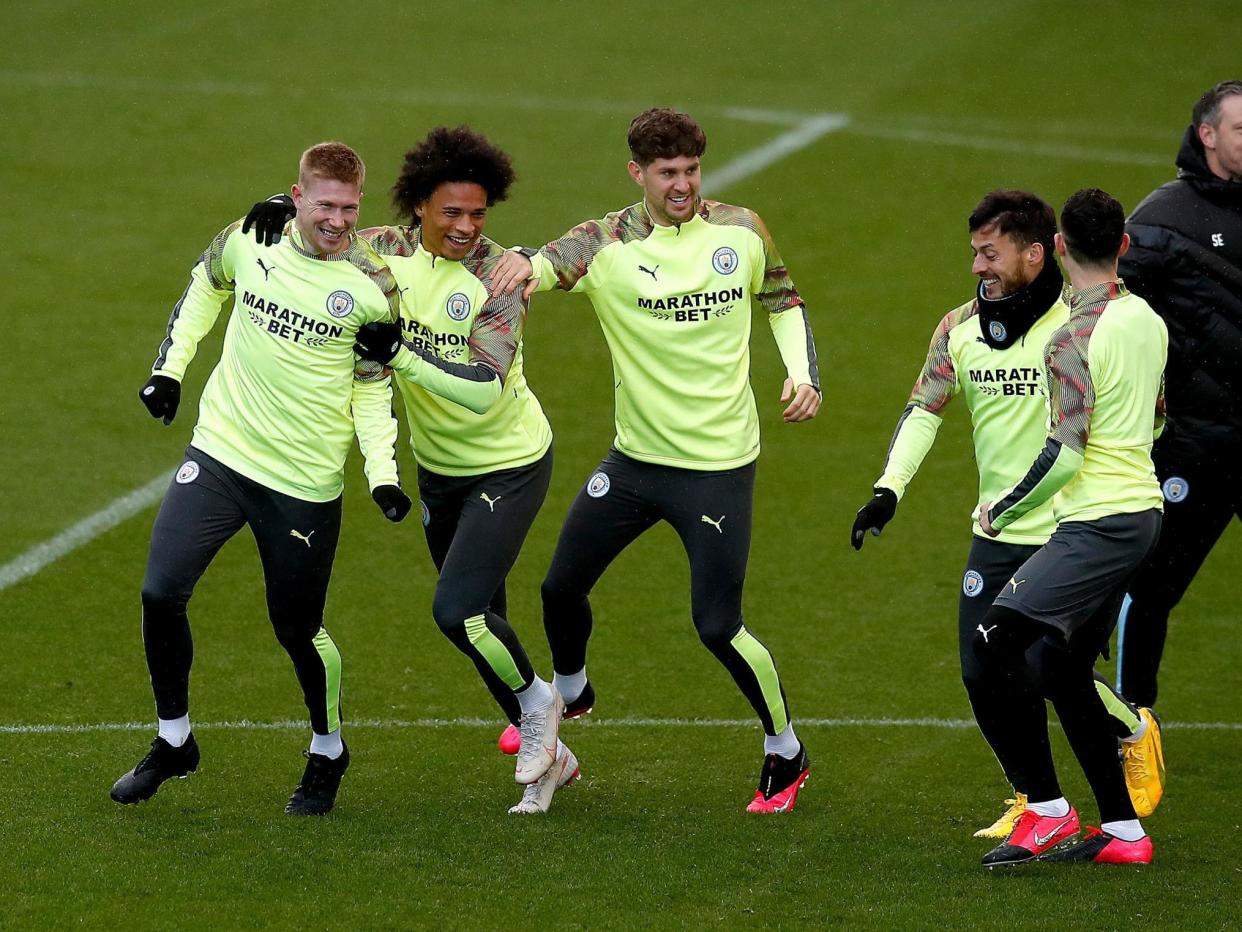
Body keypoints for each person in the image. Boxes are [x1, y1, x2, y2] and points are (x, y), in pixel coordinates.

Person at [490, 108, 821, 813]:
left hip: (718, 466)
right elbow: (536, 267)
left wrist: (802, 373)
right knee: (559, 588)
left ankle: (785, 751)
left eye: (691, 170)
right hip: (635, 463)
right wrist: (513, 259)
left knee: (716, 626)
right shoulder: (604, 243)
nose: (682, 185)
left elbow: (783, 299)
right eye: (667, 172)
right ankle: (572, 692)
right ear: (637, 173)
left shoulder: (741, 230)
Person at [244, 127, 575, 812]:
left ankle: (542, 710)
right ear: (419, 205)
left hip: (509, 464)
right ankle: (551, 764)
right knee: (487, 627)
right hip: (440, 473)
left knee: (458, 612)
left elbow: (483, 387)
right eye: (451, 212)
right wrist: (284, 203)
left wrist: (400, 356)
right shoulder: (384, 251)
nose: (466, 227)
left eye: (478, 214)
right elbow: (328, 236)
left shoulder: (499, 277)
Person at [850, 191, 1165, 840]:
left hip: (1068, 528)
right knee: (982, 668)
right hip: (995, 531)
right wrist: (890, 487)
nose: (977, 267)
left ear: (1036, 252)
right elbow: (924, 407)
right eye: (973, 254)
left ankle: (1126, 736)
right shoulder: (957, 329)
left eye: (989, 254)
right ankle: (1034, 798)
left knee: (1047, 665)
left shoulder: (1079, 325)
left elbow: (1133, 417)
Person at [113, 142, 414, 816]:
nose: (337, 220)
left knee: (298, 627)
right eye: (325, 205)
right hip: (222, 452)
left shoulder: (373, 285)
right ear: (297, 196)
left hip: (303, 482)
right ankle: (174, 739)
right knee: (161, 591)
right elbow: (205, 285)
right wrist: (170, 370)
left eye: (349, 208)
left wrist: (382, 474)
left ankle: (328, 747)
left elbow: (372, 388)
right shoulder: (251, 238)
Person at [972, 188, 1167, 866]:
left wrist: (1006, 508)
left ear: (1057, 247)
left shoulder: (1070, 339)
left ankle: (1048, 811)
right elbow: (1160, 417)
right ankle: (1123, 832)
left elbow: (1066, 453)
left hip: (1099, 523)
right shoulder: (1147, 318)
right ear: (1124, 246)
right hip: (1140, 513)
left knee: (994, 640)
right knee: (1060, 664)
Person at [1114, 80, 1242, 708]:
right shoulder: (1162, 219)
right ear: (1208, 134)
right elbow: (1102, 309)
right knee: (1151, 587)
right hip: (1199, 445)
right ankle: (1133, 722)